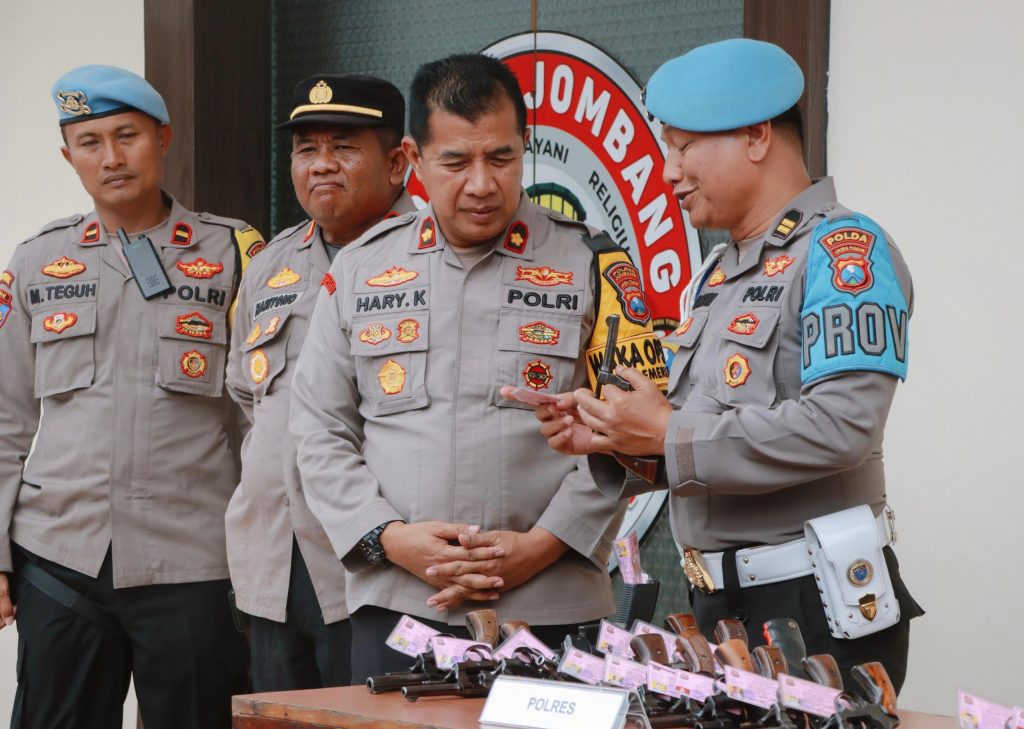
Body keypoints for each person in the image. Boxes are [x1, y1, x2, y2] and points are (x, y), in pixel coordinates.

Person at [530, 39, 923, 692]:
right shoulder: (718, 273)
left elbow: (844, 426)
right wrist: (620, 438)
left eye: (682, 146)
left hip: (814, 606)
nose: (667, 171)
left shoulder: (842, 253)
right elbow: (702, 442)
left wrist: (666, 433)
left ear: (758, 136)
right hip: (717, 610)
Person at [289, 53, 668, 683]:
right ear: (413, 159)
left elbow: (634, 435)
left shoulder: (594, 264)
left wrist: (543, 546)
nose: (482, 184)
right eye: (456, 162)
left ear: (526, 147)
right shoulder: (358, 270)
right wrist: (387, 538)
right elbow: (319, 428)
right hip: (400, 602)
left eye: (501, 158)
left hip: (552, 603)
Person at [0, 65, 262, 729]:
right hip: (60, 558)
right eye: (90, 143)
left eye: (128, 136)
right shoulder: (34, 263)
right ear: (69, 156)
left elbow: (261, 418)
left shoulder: (235, 253)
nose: (111, 157)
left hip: (195, 561)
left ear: (163, 138)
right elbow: (3, 421)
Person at [224, 73, 414, 691]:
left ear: (398, 161)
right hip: (271, 562)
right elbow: (243, 400)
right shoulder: (271, 264)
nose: (322, 165)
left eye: (344, 146)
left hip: (372, 562)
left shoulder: (430, 254)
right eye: (307, 149)